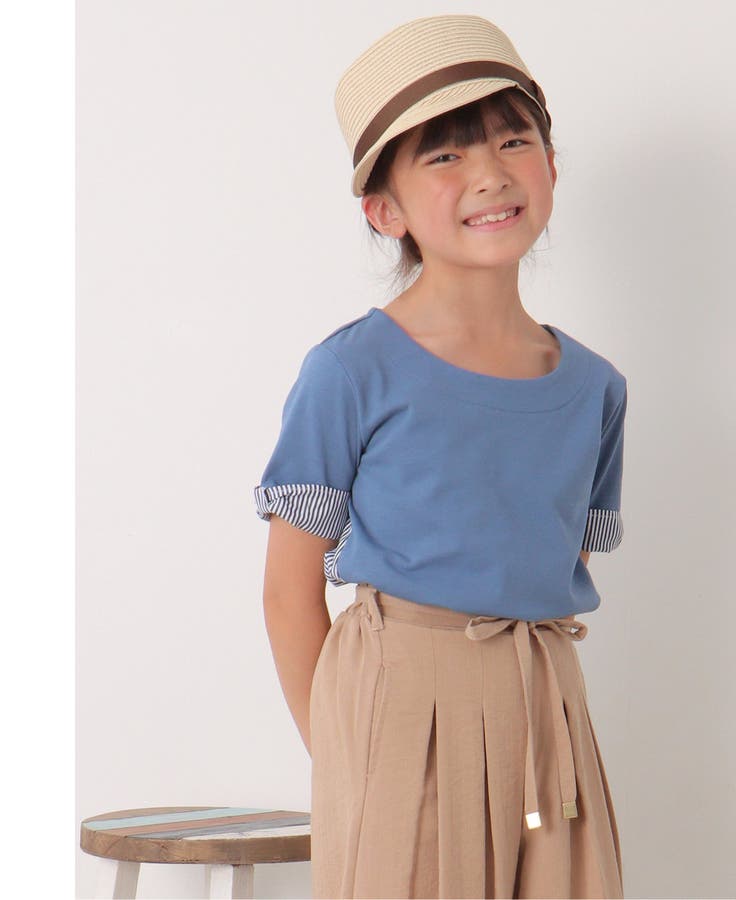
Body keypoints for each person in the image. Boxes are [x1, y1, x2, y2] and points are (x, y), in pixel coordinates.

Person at [253, 13, 627, 899]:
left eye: (512, 140)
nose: (490, 172)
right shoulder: (351, 371)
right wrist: (347, 759)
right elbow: (288, 592)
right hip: (399, 707)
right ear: (385, 210)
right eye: (446, 155)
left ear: (551, 166)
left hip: (546, 707)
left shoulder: (596, 387)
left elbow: (557, 558)